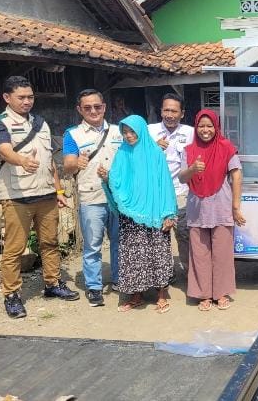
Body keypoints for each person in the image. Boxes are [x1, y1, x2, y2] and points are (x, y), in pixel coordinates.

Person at [0, 76, 79, 318]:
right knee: (15, 249)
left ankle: (52, 284)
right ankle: (12, 295)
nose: (27, 102)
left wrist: (58, 190)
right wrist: (21, 160)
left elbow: (50, 162)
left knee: (50, 243)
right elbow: (4, 149)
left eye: (30, 97)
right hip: (17, 196)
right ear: (7, 98)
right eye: (21, 98)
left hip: (46, 194)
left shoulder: (41, 122)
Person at [98, 115, 178, 314]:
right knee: (133, 256)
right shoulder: (122, 153)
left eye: (132, 131)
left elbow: (166, 185)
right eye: (125, 132)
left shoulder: (155, 154)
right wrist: (107, 177)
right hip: (131, 215)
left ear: (141, 131)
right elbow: (116, 181)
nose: (128, 135)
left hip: (155, 213)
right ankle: (136, 294)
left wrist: (168, 214)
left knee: (157, 253)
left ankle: (161, 294)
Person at [178, 109, 246, 311]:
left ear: (216, 127)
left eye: (209, 126)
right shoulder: (189, 150)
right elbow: (182, 177)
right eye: (201, 126)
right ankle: (203, 294)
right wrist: (192, 170)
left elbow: (237, 177)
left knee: (222, 253)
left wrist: (235, 207)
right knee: (199, 254)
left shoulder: (226, 147)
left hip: (221, 207)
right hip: (197, 209)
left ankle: (221, 292)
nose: (205, 130)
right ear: (195, 127)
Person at [63, 89, 123, 307]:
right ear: (80, 109)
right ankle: (94, 287)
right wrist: (75, 163)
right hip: (92, 197)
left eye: (97, 106)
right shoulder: (73, 134)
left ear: (104, 107)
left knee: (120, 242)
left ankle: (119, 279)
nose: (93, 111)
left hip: (118, 198)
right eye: (87, 107)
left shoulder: (119, 132)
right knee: (93, 245)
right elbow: (67, 165)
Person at [148, 93, 194, 278]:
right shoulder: (149, 131)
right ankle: (165, 274)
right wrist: (151, 148)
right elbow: (133, 153)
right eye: (166, 110)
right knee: (159, 235)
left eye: (174, 111)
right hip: (156, 194)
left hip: (181, 192)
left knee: (184, 235)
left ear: (182, 113)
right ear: (161, 111)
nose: (169, 114)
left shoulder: (190, 132)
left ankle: (191, 275)